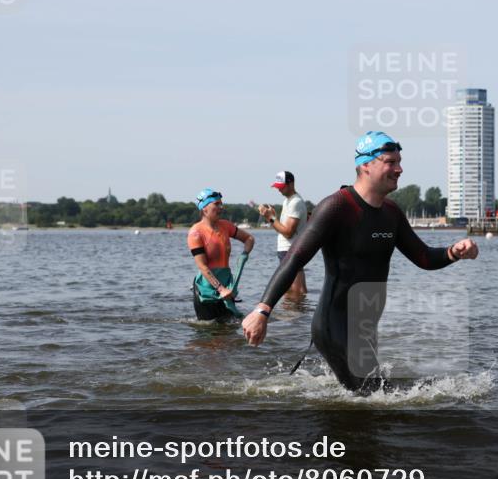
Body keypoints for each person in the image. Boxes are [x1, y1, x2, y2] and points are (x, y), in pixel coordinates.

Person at [241, 131, 479, 394]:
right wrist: (262, 311)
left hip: (365, 330)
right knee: (378, 398)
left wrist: (454, 252)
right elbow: (294, 258)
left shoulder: (391, 212)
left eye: (399, 162)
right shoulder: (336, 207)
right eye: (391, 162)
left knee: (372, 401)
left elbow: (423, 257)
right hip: (334, 326)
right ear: (366, 165)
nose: (399, 169)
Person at [188, 188, 255, 320]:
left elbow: (249, 239)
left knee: (229, 328)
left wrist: (244, 255)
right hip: (207, 289)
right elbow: (202, 266)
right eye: (216, 204)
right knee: (208, 329)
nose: (221, 207)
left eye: (221, 204)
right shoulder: (195, 233)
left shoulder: (226, 226)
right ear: (204, 209)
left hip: (227, 285)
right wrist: (220, 289)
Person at [258, 171, 307, 298]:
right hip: (288, 250)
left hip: (291, 250)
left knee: (296, 291)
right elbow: (282, 230)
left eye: (281, 187)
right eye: (277, 187)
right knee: (290, 290)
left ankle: (298, 311)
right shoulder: (287, 201)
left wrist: (270, 217)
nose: (279, 190)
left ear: (291, 184)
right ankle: (298, 310)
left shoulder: (295, 202)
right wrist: (273, 218)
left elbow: (288, 232)